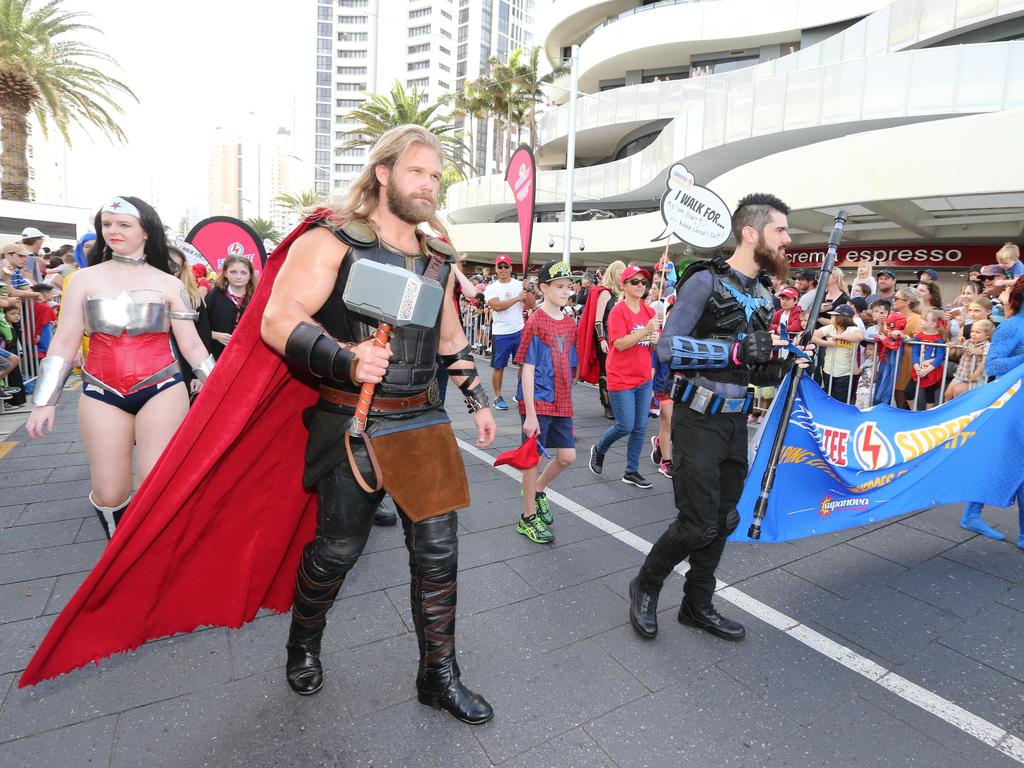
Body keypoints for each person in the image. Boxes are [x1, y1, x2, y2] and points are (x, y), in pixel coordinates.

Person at [258, 125, 495, 722]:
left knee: (439, 554)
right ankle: (303, 643)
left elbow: (449, 340)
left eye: (436, 176)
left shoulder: (438, 258)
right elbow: (278, 318)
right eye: (418, 171)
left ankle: (438, 675)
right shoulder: (332, 240)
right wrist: (347, 357)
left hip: (422, 419)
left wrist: (479, 400)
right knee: (338, 550)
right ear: (383, 172)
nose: (429, 185)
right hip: (351, 421)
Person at [629, 193, 811, 643]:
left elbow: (757, 368)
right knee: (696, 522)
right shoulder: (704, 281)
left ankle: (697, 604)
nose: (788, 239)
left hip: (735, 421)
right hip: (695, 418)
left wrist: (786, 361)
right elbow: (667, 347)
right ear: (752, 233)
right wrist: (735, 349)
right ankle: (646, 585)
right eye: (780, 230)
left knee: (724, 517)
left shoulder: (765, 295)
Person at [24, 196, 215, 540]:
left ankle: (144, 563)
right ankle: (116, 553)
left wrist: (220, 390)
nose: (112, 230)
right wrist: (43, 401)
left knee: (155, 485)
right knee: (110, 492)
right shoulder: (82, 279)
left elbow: (191, 346)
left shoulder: (170, 284)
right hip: (101, 391)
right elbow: (65, 341)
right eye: (107, 224)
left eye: (123, 224)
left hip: (162, 389)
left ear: (146, 231)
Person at [514, 259, 577, 544]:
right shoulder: (536, 321)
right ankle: (527, 518)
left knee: (567, 456)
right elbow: (526, 368)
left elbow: (568, 361)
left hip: (562, 400)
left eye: (568, 286)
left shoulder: (570, 322)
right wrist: (529, 413)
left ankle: (539, 490)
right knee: (532, 460)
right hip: (538, 400)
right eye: (560, 286)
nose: (567, 291)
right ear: (543, 288)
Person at [960, 277, 1024, 545]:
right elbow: (994, 366)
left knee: (1004, 460)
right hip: (1012, 405)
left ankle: (972, 514)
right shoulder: (1011, 326)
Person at [589, 264, 658, 489]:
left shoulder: (650, 312)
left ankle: (631, 471)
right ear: (624, 286)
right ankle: (599, 449)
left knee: (640, 427)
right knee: (625, 425)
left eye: (643, 282)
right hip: (621, 377)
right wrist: (645, 331)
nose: (640, 286)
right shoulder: (618, 311)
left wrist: (656, 341)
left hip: (643, 378)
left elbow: (651, 346)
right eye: (634, 282)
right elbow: (619, 343)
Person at [483, 253, 533, 410]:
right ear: (496, 269)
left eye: (506, 266)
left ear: (511, 268)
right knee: (499, 367)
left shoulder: (520, 285)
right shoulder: (491, 288)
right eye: (500, 266)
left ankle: (520, 394)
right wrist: (518, 298)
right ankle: (497, 397)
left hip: (519, 331)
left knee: (524, 365)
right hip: (501, 333)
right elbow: (496, 306)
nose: (503, 269)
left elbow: (531, 305)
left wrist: (528, 290)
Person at [577, 260, 625, 420]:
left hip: (619, 339)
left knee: (618, 372)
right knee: (606, 372)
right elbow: (598, 320)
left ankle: (617, 404)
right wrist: (602, 339)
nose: (623, 275)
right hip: (604, 338)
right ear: (613, 273)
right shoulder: (605, 293)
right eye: (620, 272)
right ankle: (608, 405)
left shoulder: (622, 293)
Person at [167, 246, 213, 395]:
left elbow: (202, 337)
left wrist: (198, 376)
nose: (169, 269)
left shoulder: (192, 297)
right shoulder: (138, 294)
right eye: (165, 262)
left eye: (175, 266)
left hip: (182, 372)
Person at [206, 255, 257, 359]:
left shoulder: (256, 297)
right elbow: (200, 325)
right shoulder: (214, 295)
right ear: (225, 273)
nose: (238, 276)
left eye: (243, 272)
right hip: (217, 354)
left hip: (246, 355)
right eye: (233, 272)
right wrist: (214, 335)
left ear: (250, 275)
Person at [812, 305, 863, 403]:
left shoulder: (853, 329)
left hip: (844, 373)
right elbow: (812, 336)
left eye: (834, 316)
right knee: (828, 399)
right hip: (828, 370)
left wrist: (841, 337)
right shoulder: (830, 328)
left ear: (841, 317)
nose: (831, 317)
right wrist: (828, 343)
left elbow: (859, 336)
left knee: (840, 402)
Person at [906, 308, 948, 410]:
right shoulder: (919, 336)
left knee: (929, 395)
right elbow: (915, 353)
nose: (921, 321)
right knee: (908, 392)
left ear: (933, 324)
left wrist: (926, 370)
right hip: (918, 368)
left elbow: (939, 357)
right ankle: (913, 411)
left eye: (925, 320)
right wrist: (916, 367)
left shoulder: (939, 340)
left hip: (931, 370)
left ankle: (927, 414)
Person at [891, 289, 924, 408]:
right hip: (892, 356)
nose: (893, 301)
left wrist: (904, 337)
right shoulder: (892, 316)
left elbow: (919, 338)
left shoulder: (916, 318)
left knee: (901, 390)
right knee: (893, 388)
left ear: (907, 302)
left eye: (896, 298)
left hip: (907, 358)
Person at [946, 318, 993, 400]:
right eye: (972, 331)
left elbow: (984, 361)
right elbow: (959, 353)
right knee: (947, 394)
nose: (973, 334)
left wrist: (976, 373)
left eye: (977, 332)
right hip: (960, 374)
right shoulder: (968, 342)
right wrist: (958, 344)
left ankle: (959, 411)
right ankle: (945, 411)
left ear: (987, 335)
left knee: (959, 395)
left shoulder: (987, 345)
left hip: (973, 377)